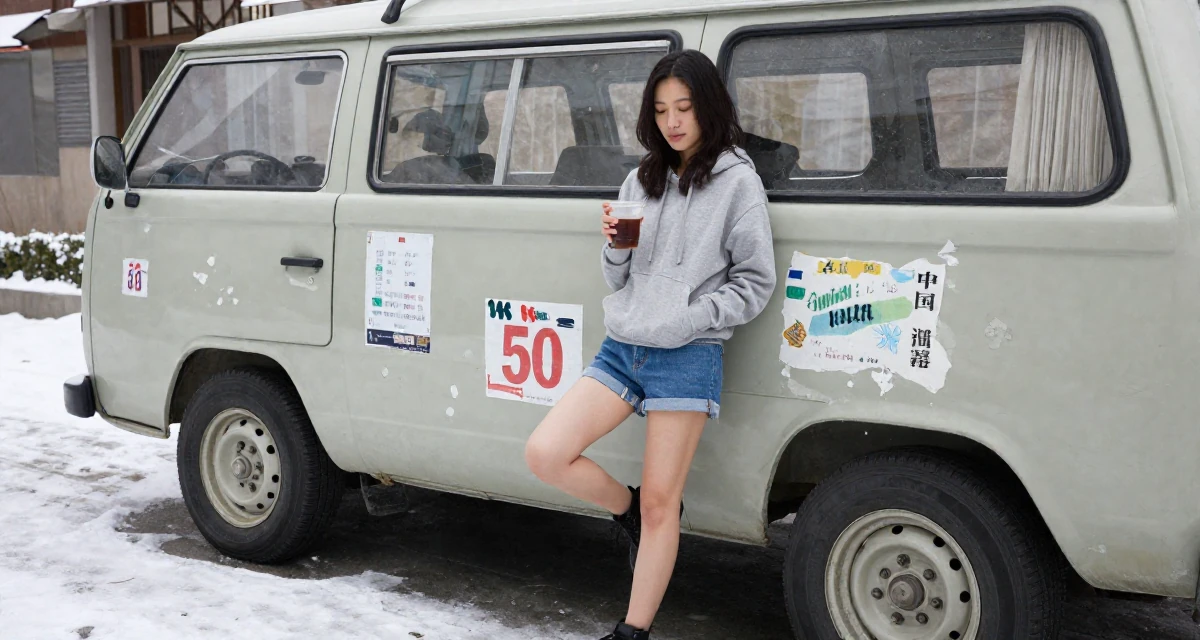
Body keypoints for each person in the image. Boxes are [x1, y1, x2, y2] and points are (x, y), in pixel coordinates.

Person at [524, 49, 776, 640]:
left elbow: (755, 282)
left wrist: (694, 317)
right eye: (662, 110)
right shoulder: (643, 178)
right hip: (625, 345)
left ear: (709, 107)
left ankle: (632, 631)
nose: (673, 121)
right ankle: (624, 509)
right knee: (546, 453)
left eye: (685, 107)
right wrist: (615, 244)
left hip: (687, 355)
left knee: (665, 503)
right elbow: (619, 277)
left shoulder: (739, 183)